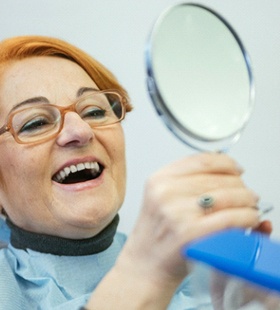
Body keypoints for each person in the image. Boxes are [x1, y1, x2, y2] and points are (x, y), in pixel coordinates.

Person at [0, 35, 272, 310]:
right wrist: (143, 272)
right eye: (35, 123)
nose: (80, 131)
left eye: (94, 111)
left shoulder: (197, 276)